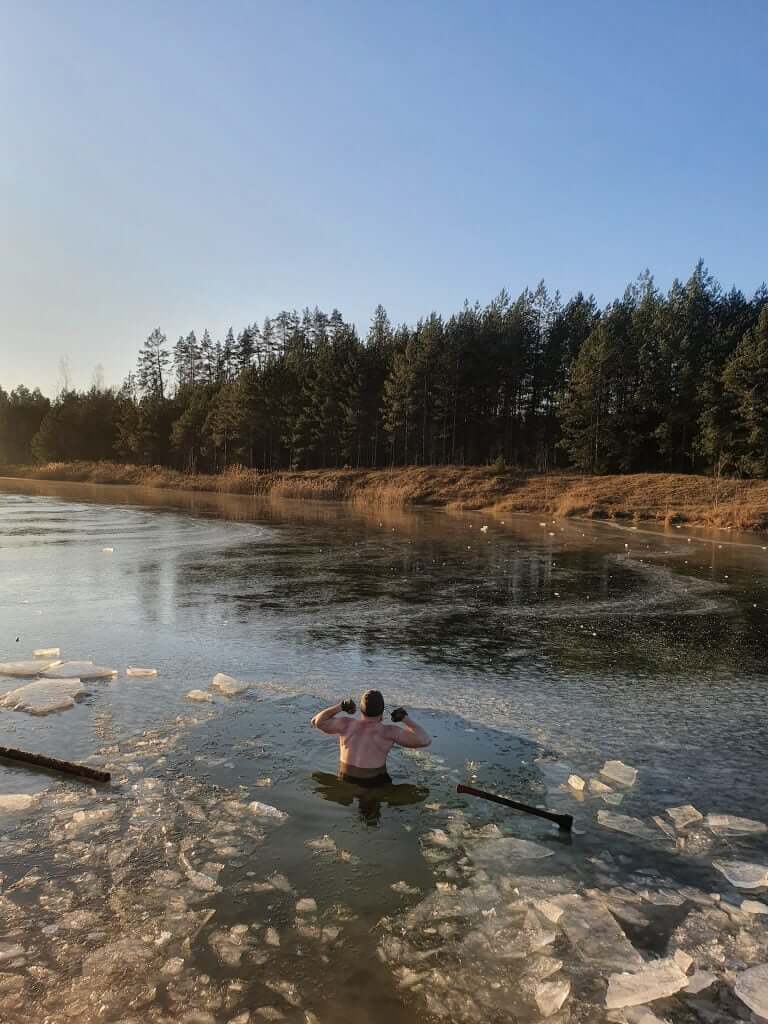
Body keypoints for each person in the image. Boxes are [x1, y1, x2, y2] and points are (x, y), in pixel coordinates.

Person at [310, 689, 431, 787]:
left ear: (360, 710)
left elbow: (316, 721)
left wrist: (341, 706)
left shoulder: (346, 725)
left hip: (345, 778)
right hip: (374, 782)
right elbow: (425, 740)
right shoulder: (388, 732)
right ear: (382, 712)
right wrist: (405, 718)